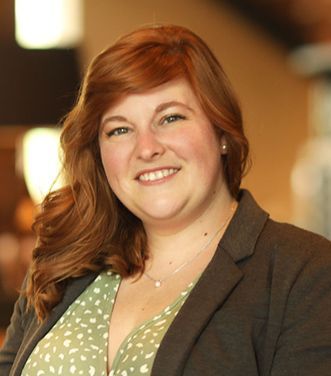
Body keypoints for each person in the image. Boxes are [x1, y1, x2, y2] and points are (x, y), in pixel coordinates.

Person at [0, 24, 330, 376]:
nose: (147, 148)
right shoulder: (62, 263)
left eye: (170, 118)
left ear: (221, 132)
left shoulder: (304, 273)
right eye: (120, 129)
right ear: (98, 153)